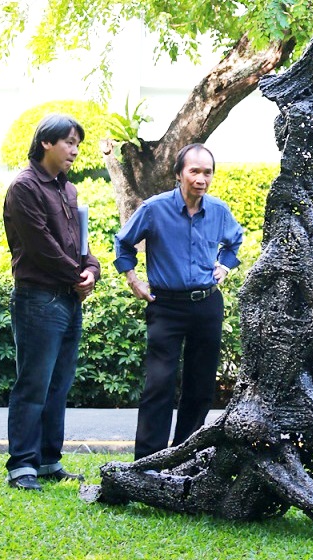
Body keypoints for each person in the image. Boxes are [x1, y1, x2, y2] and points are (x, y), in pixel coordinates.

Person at [114, 143, 243, 460]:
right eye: (194, 171)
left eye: (207, 172)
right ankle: (148, 461)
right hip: (166, 306)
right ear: (178, 174)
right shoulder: (154, 209)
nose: (201, 179)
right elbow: (123, 243)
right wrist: (133, 279)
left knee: (200, 387)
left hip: (207, 305)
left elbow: (235, 241)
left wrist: (225, 266)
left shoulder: (219, 211)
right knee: (159, 385)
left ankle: (185, 457)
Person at [3, 114, 101, 491]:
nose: (75, 151)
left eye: (78, 144)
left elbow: (81, 243)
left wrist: (91, 269)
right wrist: (77, 275)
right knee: (33, 384)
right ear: (46, 142)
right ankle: (21, 466)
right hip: (38, 298)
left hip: (68, 299)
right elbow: (40, 246)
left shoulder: (68, 189)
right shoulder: (25, 187)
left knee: (58, 385)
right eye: (69, 142)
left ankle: (47, 461)